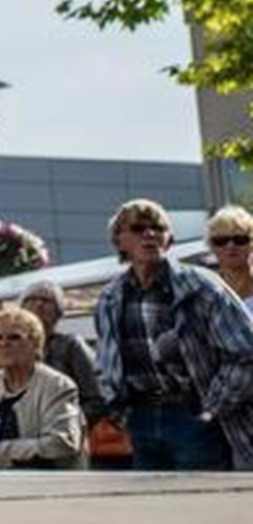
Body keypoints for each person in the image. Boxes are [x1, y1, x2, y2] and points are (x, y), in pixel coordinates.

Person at [94, 197, 253, 470]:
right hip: (141, 418)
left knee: (203, 506)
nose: (150, 233)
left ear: (169, 240)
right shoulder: (111, 297)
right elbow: (104, 365)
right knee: (152, 509)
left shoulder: (200, 285)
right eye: (138, 228)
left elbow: (245, 353)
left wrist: (211, 410)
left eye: (158, 227)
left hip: (192, 414)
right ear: (119, 241)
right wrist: (121, 413)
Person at [0, 307, 83, 470]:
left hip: (39, 484)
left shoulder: (58, 386)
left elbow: (61, 444)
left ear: (35, 343)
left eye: (14, 337)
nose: (3, 343)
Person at [18, 281, 104, 424]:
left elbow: (97, 399)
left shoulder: (71, 346)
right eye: (32, 299)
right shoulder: (10, 346)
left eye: (47, 300)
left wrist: (65, 422)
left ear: (59, 312)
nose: (39, 304)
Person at [207, 205, 253, 309]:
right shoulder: (205, 290)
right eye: (221, 241)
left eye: (239, 239)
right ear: (212, 247)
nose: (230, 246)